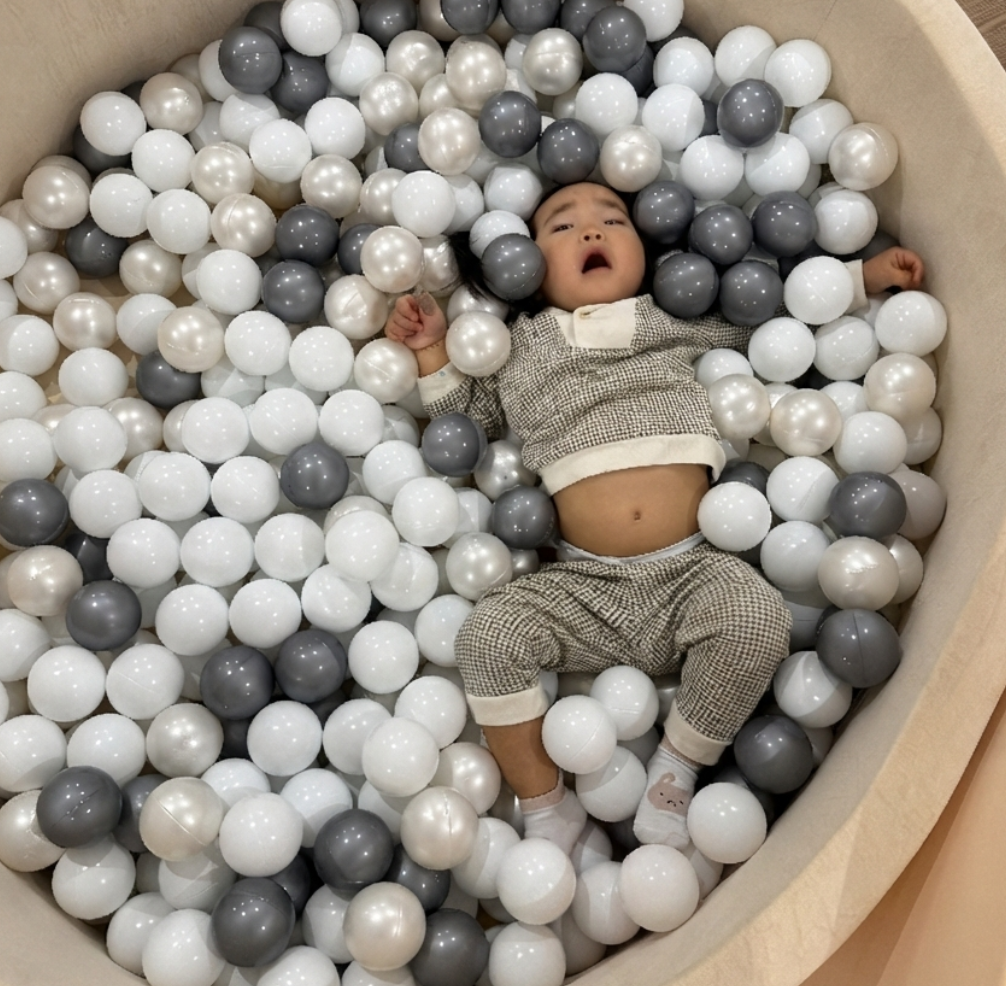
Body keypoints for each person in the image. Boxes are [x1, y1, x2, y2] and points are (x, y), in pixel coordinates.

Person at [385, 180, 925, 852]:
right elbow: (470, 426)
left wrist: (861, 277)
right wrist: (433, 352)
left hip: (693, 568)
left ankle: (677, 769)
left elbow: (775, 319)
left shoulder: (672, 318)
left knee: (758, 617)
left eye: (612, 219)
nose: (590, 231)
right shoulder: (517, 348)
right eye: (561, 227)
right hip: (582, 584)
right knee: (488, 637)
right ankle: (546, 803)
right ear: (521, 266)